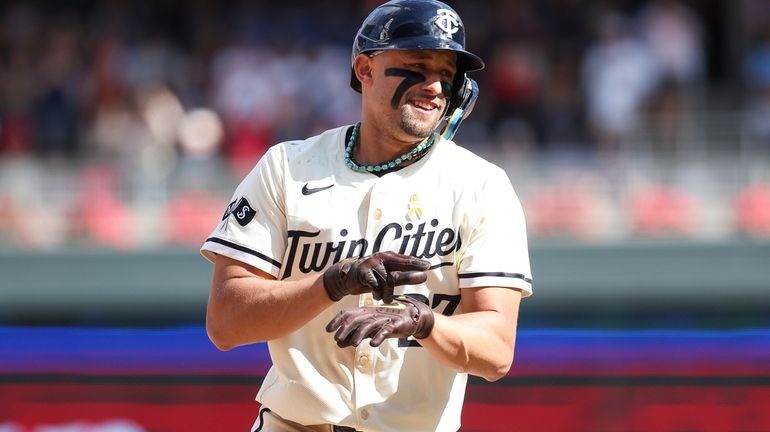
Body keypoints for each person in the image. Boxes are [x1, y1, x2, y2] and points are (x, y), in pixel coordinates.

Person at [201, 1, 533, 431]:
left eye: (446, 75)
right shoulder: (286, 167)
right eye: (416, 65)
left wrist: (423, 321)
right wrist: (333, 282)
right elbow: (226, 321)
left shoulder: (482, 186)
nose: (433, 85)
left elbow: (496, 350)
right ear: (365, 69)